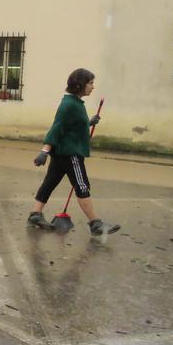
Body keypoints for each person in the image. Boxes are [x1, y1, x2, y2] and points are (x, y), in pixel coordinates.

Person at [29, 68, 120, 236]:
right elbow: (57, 128)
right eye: (90, 83)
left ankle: (35, 214)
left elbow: (72, 125)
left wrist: (88, 123)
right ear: (80, 85)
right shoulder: (69, 105)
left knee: (50, 182)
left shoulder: (75, 103)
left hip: (62, 152)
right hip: (71, 154)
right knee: (82, 186)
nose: (93, 87)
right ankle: (95, 224)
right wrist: (44, 151)